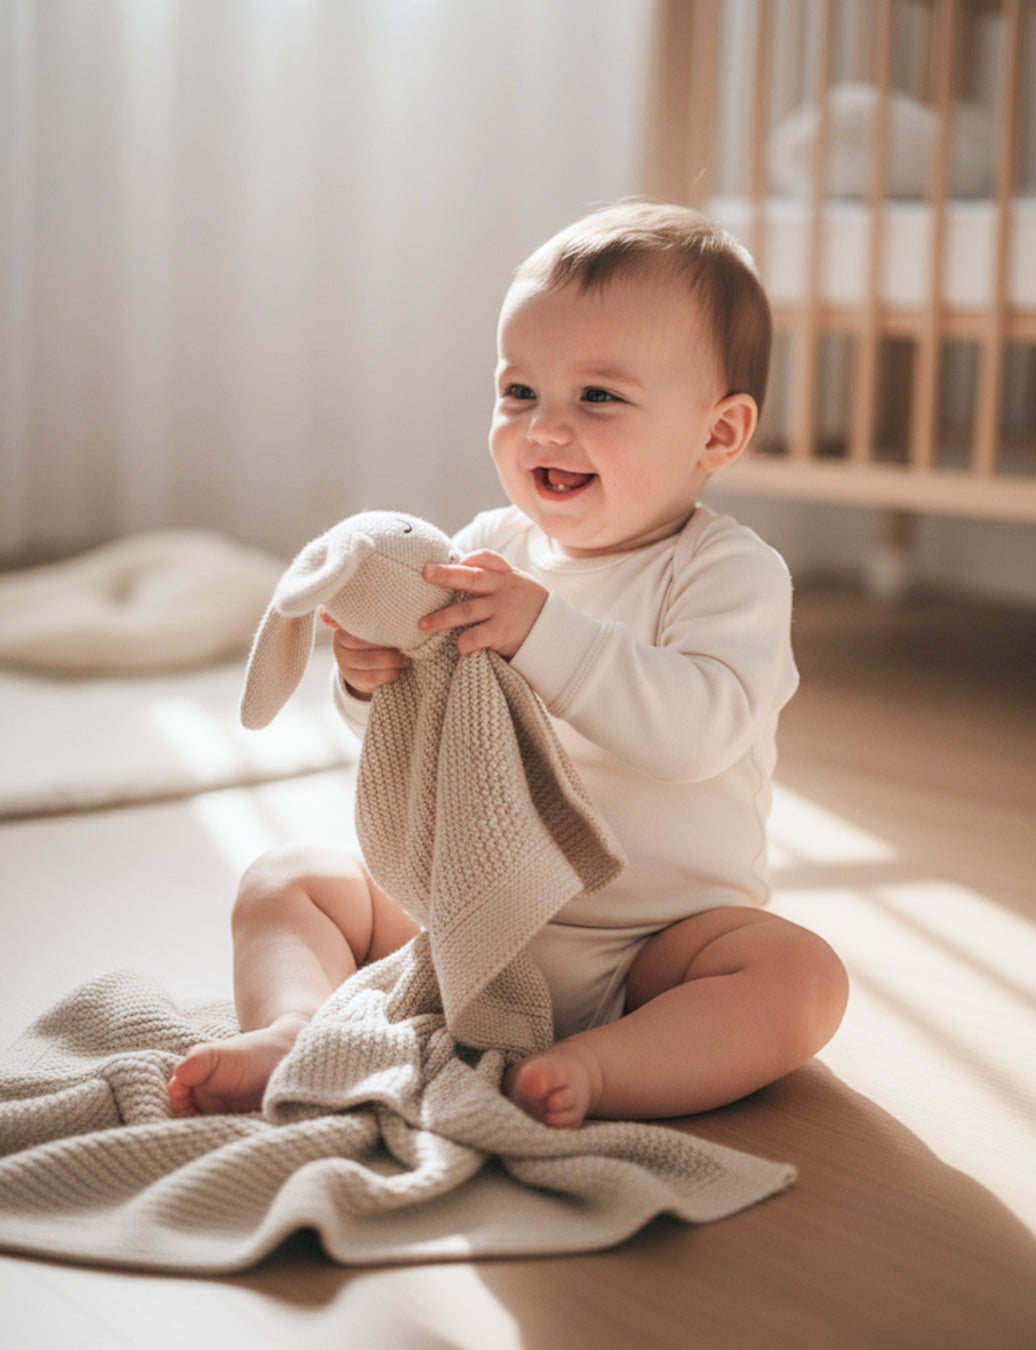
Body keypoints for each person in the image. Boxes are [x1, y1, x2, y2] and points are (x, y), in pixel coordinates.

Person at [168, 201, 848, 1129]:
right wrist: (373, 683)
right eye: (519, 392)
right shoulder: (491, 546)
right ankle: (295, 1032)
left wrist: (545, 633)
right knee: (284, 879)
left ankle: (603, 1068)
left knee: (800, 977)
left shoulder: (729, 572)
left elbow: (698, 733)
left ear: (719, 435)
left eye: (598, 397)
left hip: (652, 945)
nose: (544, 429)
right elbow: (426, 730)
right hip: (470, 918)